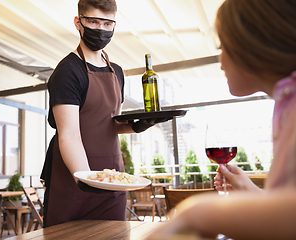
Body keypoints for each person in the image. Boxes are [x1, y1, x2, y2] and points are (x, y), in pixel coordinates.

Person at [146, 0, 296, 239]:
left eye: (223, 47)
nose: (221, 61)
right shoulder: (286, 102)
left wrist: (197, 212)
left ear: (251, 44)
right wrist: (248, 189)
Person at [41, 0, 169, 227]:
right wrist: (86, 178)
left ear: (114, 26)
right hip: (75, 177)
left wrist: (138, 125)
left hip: (112, 178)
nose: (100, 29)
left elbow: (109, 124)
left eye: (106, 23)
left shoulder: (117, 72)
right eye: (92, 21)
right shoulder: (68, 71)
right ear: (78, 23)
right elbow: (68, 134)